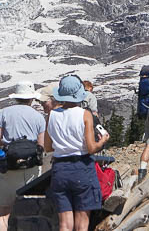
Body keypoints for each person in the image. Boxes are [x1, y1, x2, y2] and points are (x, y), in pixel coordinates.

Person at [44, 75, 109, 231]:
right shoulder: (85, 114)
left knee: (65, 224)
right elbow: (92, 147)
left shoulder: (52, 115)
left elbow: (48, 147)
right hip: (82, 167)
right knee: (82, 221)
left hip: (60, 168)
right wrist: (103, 141)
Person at [0, 82, 47, 231]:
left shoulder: (4, 113)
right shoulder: (38, 117)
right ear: (31, 98)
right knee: (30, 209)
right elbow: (41, 145)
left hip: (8, 166)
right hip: (31, 166)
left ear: (16, 97)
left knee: (3, 212)